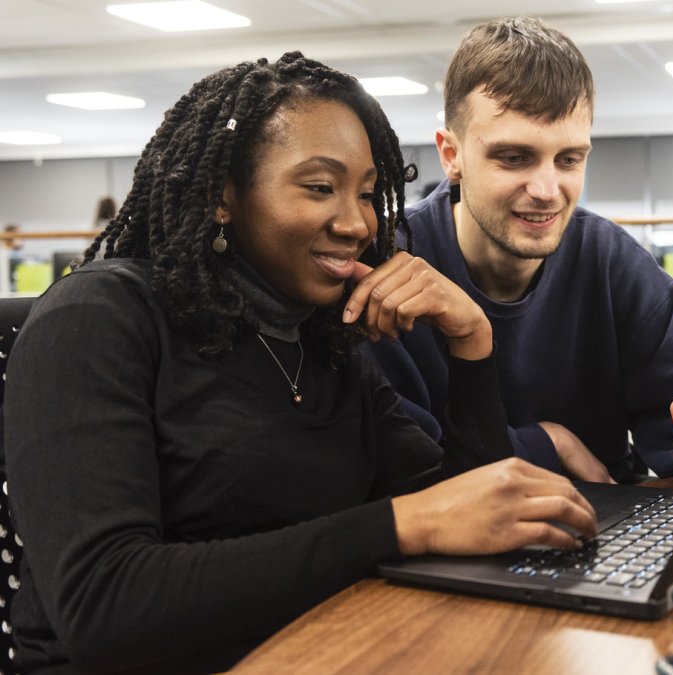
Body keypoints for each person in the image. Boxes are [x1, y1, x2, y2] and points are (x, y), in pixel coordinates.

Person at [2, 52, 595, 674]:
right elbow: (104, 606)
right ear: (223, 196)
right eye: (320, 188)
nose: (357, 222)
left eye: (368, 194)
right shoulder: (98, 316)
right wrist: (399, 526)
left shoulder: (323, 343)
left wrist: (472, 342)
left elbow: (465, 515)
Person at [367, 17, 673, 504]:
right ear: (452, 155)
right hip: (447, 546)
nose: (546, 191)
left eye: (569, 160)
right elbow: (405, 465)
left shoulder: (607, 258)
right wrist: (547, 444)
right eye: (514, 158)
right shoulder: (390, 265)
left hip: (605, 524)